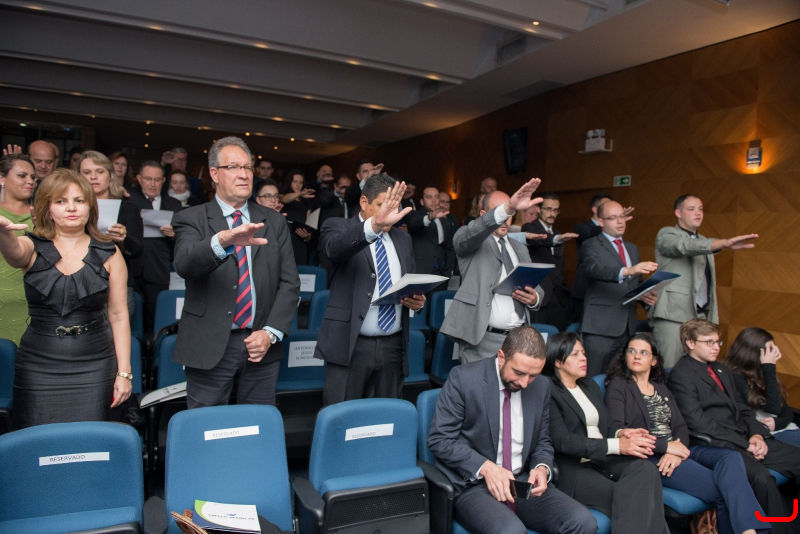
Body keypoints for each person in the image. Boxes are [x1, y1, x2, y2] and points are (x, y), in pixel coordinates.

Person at [428, 325, 597, 534]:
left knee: (583, 522)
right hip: (475, 485)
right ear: (501, 357)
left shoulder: (541, 386)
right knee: (512, 532)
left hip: (521, 482)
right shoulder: (464, 379)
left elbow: (543, 441)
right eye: (518, 373)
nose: (525, 383)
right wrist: (487, 468)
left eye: (533, 375)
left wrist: (542, 467)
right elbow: (440, 439)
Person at [172, 136, 300, 408]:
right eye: (233, 167)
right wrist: (222, 241)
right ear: (214, 174)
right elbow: (185, 264)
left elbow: (290, 283)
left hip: (261, 344)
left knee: (257, 424)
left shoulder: (273, 221)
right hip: (208, 344)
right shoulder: (191, 218)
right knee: (206, 426)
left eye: (248, 167)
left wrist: (270, 333)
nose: (243, 174)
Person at [0, 169, 131, 429]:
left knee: (89, 440)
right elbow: (14, 255)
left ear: (90, 207)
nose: (71, 207)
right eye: (60, 201)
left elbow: (118, 315)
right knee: (38, 441)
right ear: (47, 208)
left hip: (95, 364)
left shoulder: (110, 252)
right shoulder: (32, 245)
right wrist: (4, 233)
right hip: (38, 364)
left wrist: (124, 373)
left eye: (79, 200)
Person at [605, 334, 765, 534]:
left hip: (677, 450)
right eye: (632, 351)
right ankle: (749, 531)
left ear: (654, 360)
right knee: (724, 489)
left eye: (643, 352)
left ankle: (748, 530)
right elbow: (620, 432)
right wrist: (666, 447)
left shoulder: (661, 387)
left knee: (730, 457)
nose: (637, 356)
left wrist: (676, 450)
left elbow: (681, 425)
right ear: (625, 356)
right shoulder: (619, 385)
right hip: (649, 456)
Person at [667, 319, 800, 534]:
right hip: (718, 445)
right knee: (762, 479)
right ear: (690, 343)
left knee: (797, 458)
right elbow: (698, 422)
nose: (716, 347)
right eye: (709, 342)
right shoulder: (681, 375)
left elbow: (742, 408)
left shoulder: (720, 369)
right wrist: (744, 444)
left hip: (745, 437)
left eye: (718, 342)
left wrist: (756, 435)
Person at [543, 331, 671, 534]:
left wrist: (622, 433)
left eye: (583, 353)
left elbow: (609, 425)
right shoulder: (548, 389)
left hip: (602, 458)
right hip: (574, 466)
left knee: (645, 469)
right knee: (638, 498)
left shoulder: (589, 385)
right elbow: (563, 441)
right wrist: (616, 445)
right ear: (558, 361)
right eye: (575, 354)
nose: (584, 358)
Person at [315, 174, 423, 405]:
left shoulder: (403, 239)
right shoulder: (337, 226)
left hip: (393, 345)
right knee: (342, 415)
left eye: (396, 207)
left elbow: (409, 283)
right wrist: (374, 226)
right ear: (364, 202)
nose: (391, 213)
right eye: (384, 205)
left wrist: (417, 301)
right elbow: (334, 249)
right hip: (350, 343)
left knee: (386, 415)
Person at [440, 179, 544, 364]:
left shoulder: (520, 248)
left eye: (510, 213)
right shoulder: (469, 239)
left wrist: (535, 297)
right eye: (501, 211)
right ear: (483, 215)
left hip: (518, 340)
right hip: (482, 340)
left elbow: (535, 285)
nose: (505, 218)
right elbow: (470, 234)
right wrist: (507, 207)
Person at [649, 195, 759, 367]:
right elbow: (684, 246)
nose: (698, 213)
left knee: (696, 371)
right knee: (669, 369)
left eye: (700, 209)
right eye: (691, 209)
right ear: (678, 213)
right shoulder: (667, 234)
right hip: (672, 315)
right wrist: (724, 243)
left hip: (699, 317)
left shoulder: (704, 241)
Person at [580, 200, 658, 376]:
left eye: (622, 216)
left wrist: (644, 296)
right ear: (601, 221)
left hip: (627, 326)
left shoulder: (632, 248)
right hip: (600, 327)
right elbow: (594, 269)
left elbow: (634, 283)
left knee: (619, 379)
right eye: (613, 218)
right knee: (592, 378)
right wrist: (627, 270)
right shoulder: (591, 244)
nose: (620, 221)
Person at [79, 151, 144, 319]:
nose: (93, 177)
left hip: (116, 286)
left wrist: (122, 241)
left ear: (110, 175)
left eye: (99, 171)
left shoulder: (128, 208)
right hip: (78, 283)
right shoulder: (71, 209)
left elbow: (137, 250)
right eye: (87, 172)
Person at [127, 161, 182, 333]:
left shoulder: (174, 205)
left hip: (158, 267)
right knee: (130, 317)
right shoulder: (128, 200)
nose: (152, 184)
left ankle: (154, 347)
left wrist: (174, 234)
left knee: (156, 317)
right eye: (148, 179)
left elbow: (184, 239)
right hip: (131, 267)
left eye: (157, 180)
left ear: (163, 180)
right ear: (139, 179)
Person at [726, 327, 800, 448]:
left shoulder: (761, 373)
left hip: (784, 428)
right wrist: (769, 368)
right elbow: (773, 408)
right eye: (770, 349)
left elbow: (786, 410)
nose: (774, 354)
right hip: (765, 436)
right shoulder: (735, 377)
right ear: (754, 352)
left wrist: (778, 422)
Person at [521, 193, 579, 332]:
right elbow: (541, 239)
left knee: (556, 339)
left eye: (555, 210)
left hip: (559, 297)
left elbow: (560, 267)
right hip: (538, 295)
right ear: (539, 209)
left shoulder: (557, 233)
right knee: (536, 336)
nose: (552, 213)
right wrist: (557, 239)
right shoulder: (529, 228)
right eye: (548, 209)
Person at [0, 154, 36, 344]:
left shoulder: (43, 214)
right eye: (22, 175)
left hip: (33, 302)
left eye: (33, 177)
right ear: (2, 178)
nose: (30, 181)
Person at [407, 185, 455, 282]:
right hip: (420, 272)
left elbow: (449, 248)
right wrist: (430, 217)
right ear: (422, 201)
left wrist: (449, 270)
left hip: (441, 273)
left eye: (437, 197)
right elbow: (414, 224)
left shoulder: (445, 221)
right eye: (429, 197)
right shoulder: (415, 215)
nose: (433, 200)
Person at [280, 169, 315, 266]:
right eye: (295, 181)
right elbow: (284, 199)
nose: (298, 185)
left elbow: (309, 225)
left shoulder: (306, 203)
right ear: (289, 182)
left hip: (299, 242)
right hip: (285, 238)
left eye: (301, 182)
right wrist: (300, 194)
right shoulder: (282, 195)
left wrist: (307, 237)